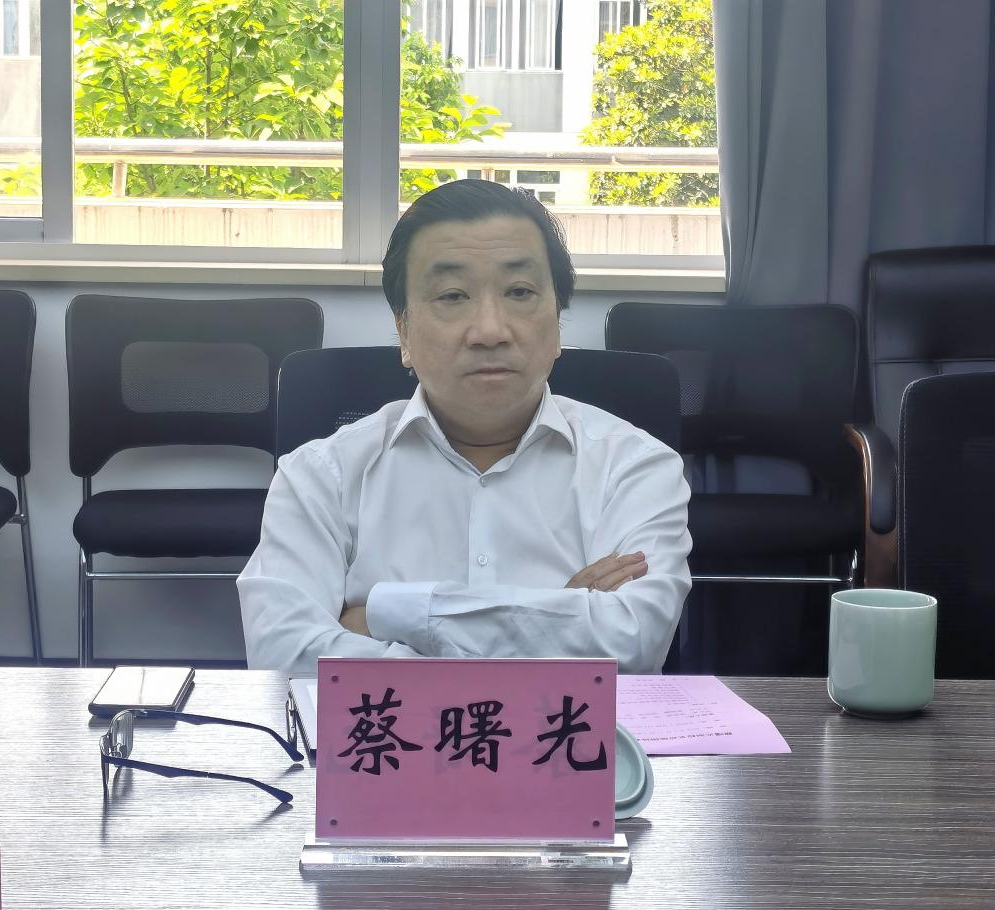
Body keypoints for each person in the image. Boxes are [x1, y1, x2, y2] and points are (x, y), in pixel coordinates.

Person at [238, 179, 692, 675]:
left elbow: (632, 645)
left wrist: (383, 615)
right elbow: (284, 657)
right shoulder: (319, 476)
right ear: (404, 331)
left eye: (519, 292)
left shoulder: (635, 467)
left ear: (557, 322)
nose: (490, 331)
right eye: (453, 295)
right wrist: (557, 616)